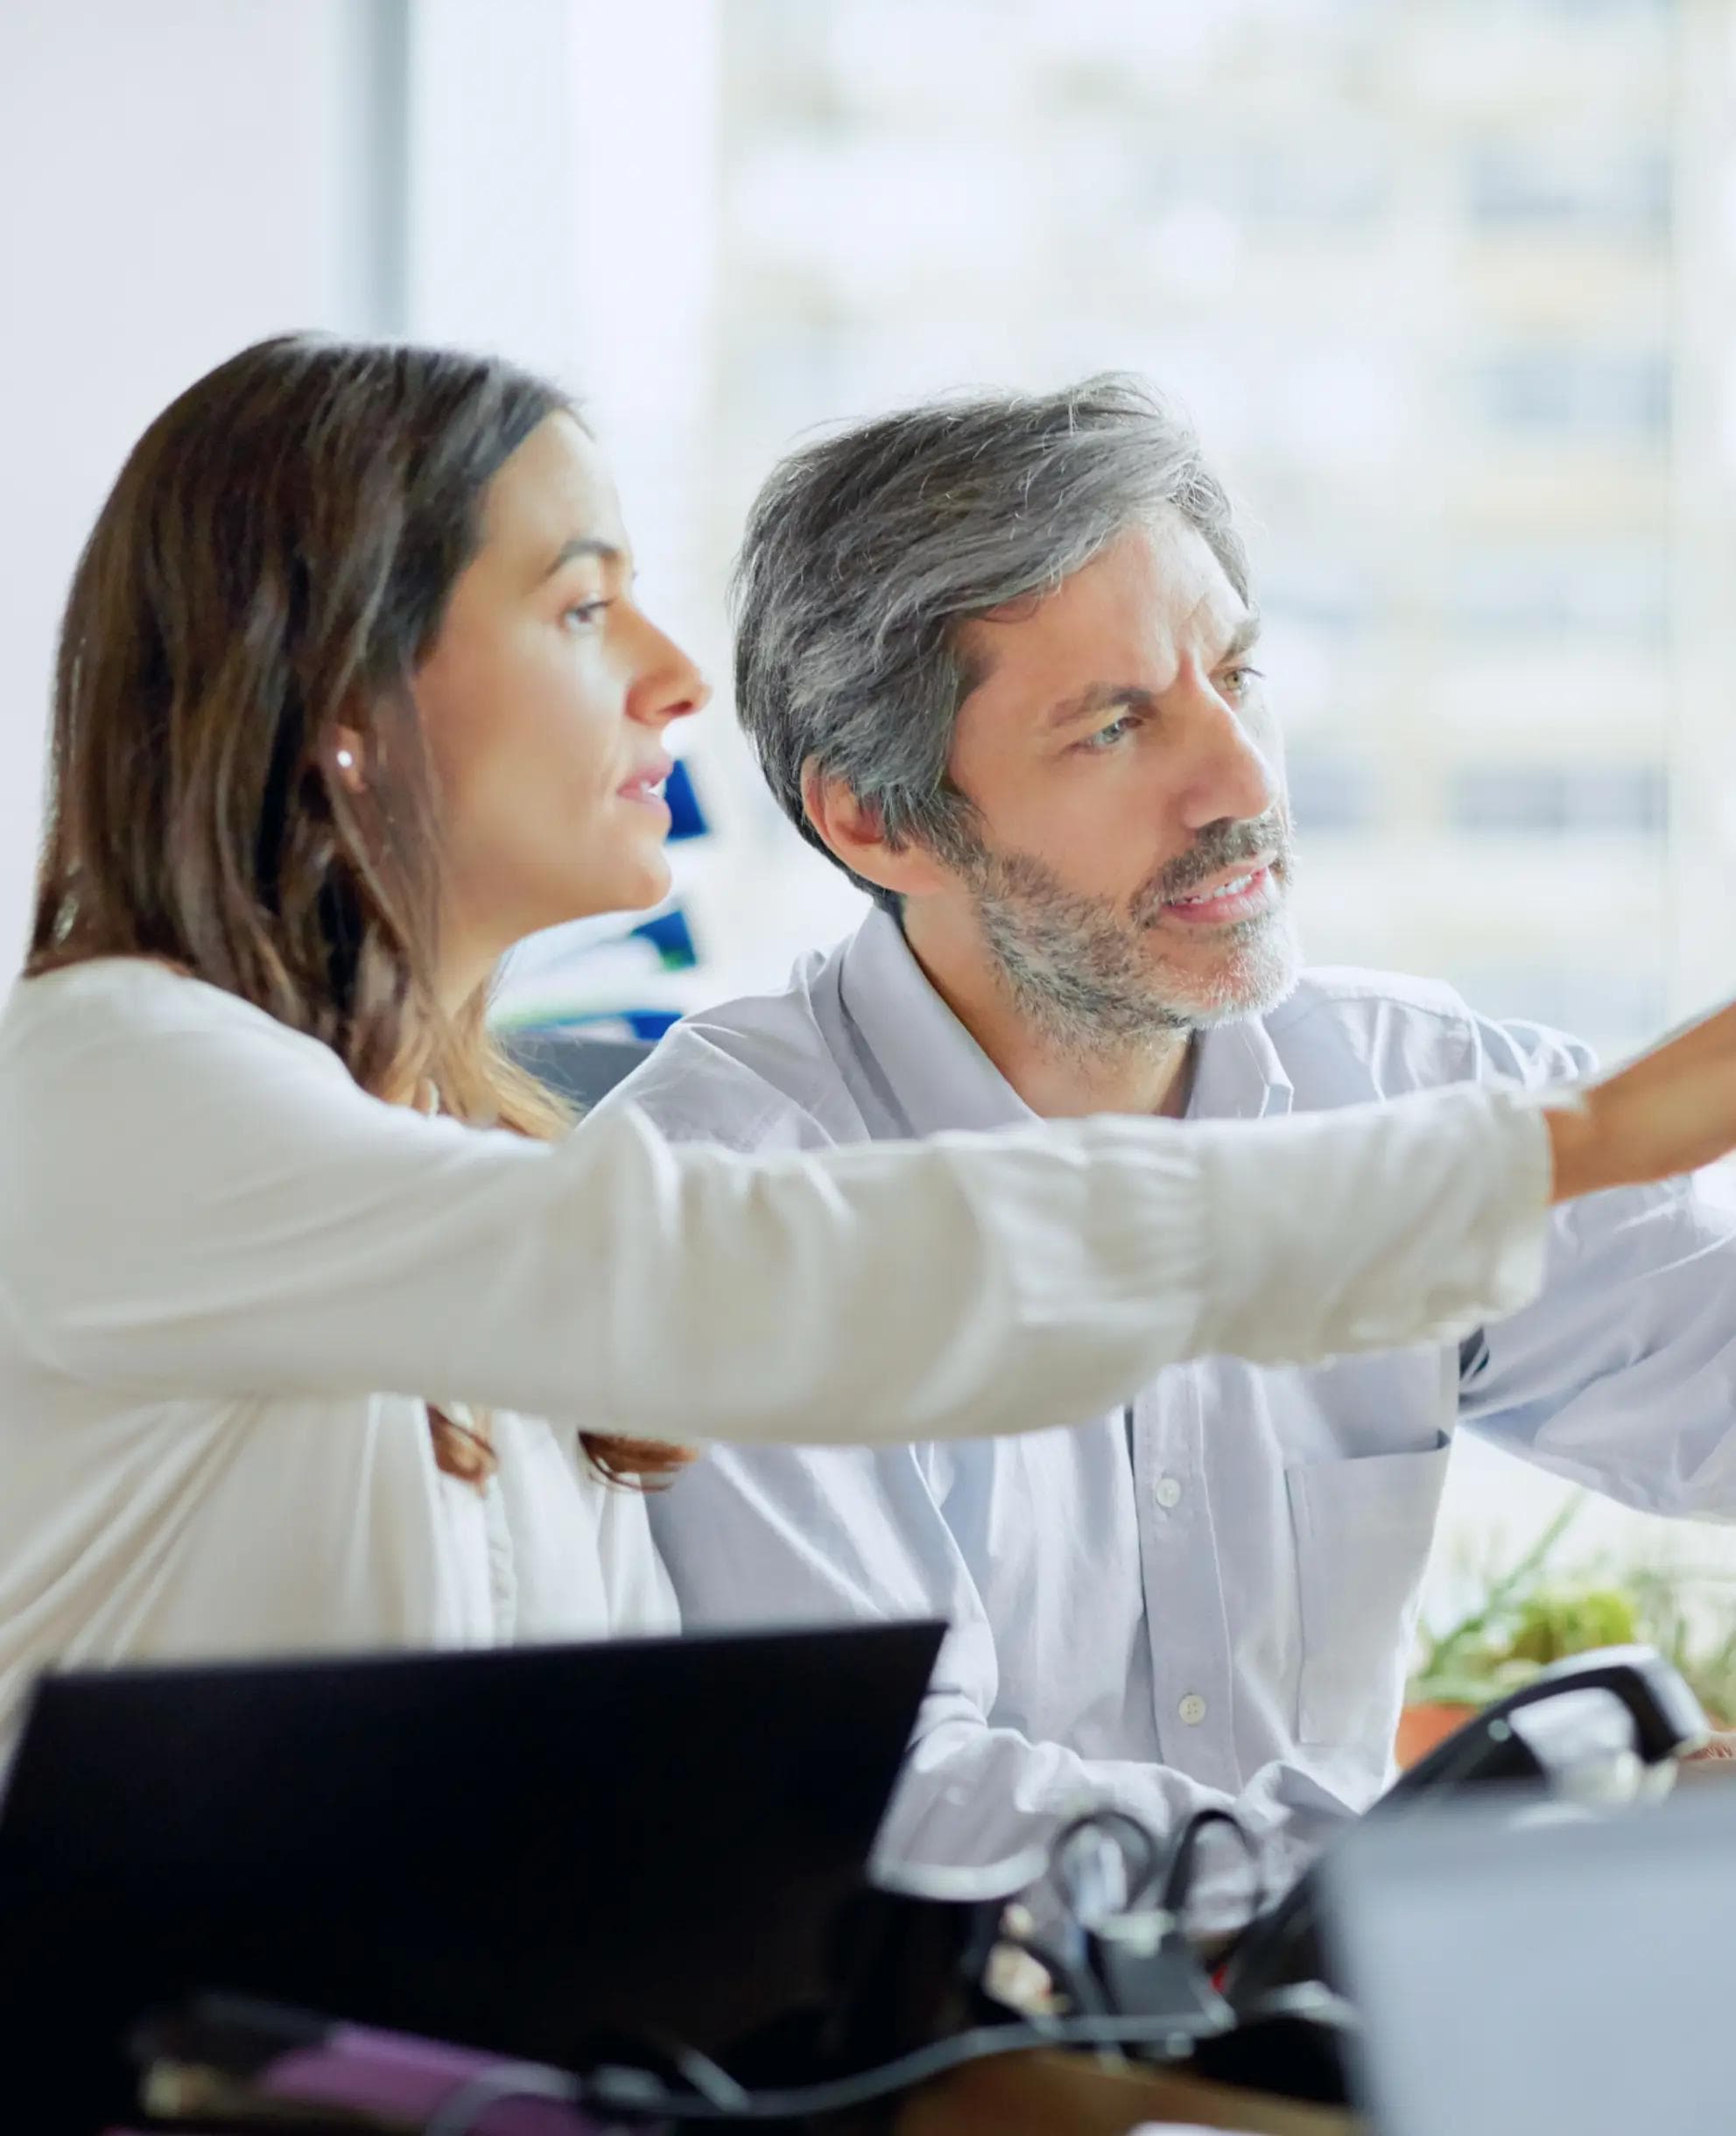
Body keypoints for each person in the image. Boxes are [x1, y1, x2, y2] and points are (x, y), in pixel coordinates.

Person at [2, 340, 1732, 1784]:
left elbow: (584, 1821)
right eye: (586, 609)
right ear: (345, 711)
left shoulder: (482, 1186)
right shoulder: (117, 1093)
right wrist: (1571, 1141)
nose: (675, 678)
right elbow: (802, 1282)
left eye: (1236, 677)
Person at [601, 373, 1736, 1908]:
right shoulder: (718, 1199)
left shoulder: (1404, 1081)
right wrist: (1497, 1861)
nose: (1244, 783)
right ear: (878, 821)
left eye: (1238, 676)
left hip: (1341, 2016)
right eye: (1116, 726)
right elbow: (892, 1802)